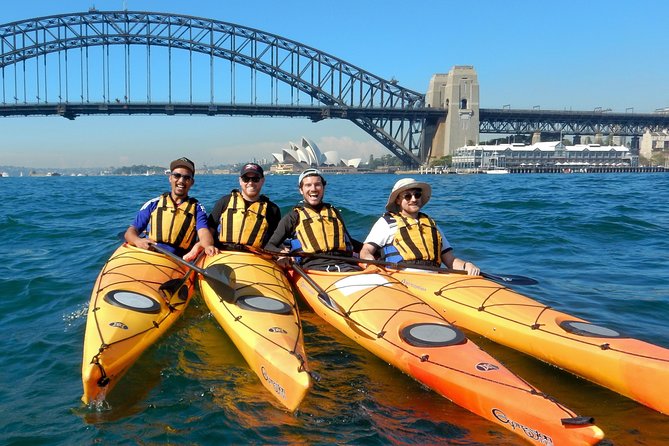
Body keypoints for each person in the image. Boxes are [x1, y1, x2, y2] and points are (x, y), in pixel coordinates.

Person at [360, 178, 480, 275]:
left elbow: (449, 260)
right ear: (398, 200)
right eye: (407, 196)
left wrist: (466, 265)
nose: (413, 199)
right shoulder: (386, 223)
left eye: (417, 195)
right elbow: (366, 251)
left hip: (434, 278)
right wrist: (371, 264)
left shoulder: (432, 225)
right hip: (402, 276)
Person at [266, 168, 362, 271]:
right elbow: (270, 245)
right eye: (308, 185)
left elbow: (349, 241)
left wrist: (371, 249)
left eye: (317, 184)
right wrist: (281, 254)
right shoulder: (294, 216)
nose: (313, 189)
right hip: (313, 268)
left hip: (346, 265)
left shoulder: (334, 212)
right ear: (301, 190)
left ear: (323, 187)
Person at [183, 162, 281, 261]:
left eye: (255, 179)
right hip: (223, 253)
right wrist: (198, 247)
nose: (250, 183)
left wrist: (281, 255)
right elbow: (209, 232)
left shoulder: (272, 209)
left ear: (262, 181)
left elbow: (276, 240)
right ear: (240, 181)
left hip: (255, 257)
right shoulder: (225, 202)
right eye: (246, 179)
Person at [124, 157, 217, 258]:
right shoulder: (153, 204)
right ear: (170, 178)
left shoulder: (197, 209)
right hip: (150, 255)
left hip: (178, 261)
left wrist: (207, 246)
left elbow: (204, 233)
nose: (181, 181)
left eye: (186, 178)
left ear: (191, 182)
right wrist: (137, 241)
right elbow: (131, 231)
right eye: (177, 175)